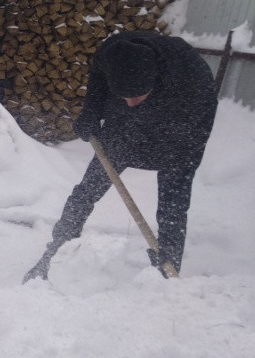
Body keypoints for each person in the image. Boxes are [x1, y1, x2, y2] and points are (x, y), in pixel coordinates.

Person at [24, 30, 217, 283]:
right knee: (87, 189)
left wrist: (167, 150)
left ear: (154, 79)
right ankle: (55, 254)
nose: (130, 102)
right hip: (127, 126)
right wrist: (91, 112)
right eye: (124, 97)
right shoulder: (112, 53)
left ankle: (167, 271)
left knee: (173, 202)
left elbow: (194, 130)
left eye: (136, 96)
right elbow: (98, 78)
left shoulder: (191, 77)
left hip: (184, 130)